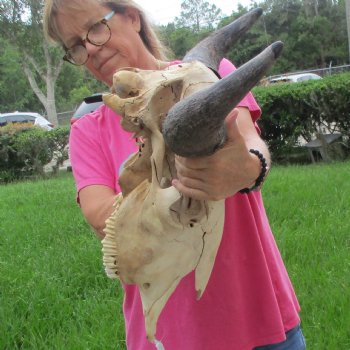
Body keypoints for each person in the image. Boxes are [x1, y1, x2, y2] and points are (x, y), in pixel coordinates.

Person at [43, 1, 306, 349]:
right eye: (75, 45)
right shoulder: (87, 129)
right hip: (168, 335)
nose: (90, 48)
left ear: (132, 17)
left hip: (261, 318)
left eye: (94, 28)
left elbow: (252, 147)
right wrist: (163, 171)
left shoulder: (206, 75)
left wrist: (248, 169)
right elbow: (99, 217)